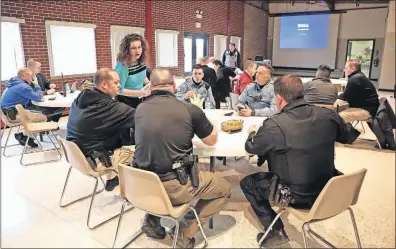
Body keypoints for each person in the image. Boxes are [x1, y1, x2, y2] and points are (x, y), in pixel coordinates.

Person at [240, 75, 360, 247]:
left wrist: (252, 132)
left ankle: (276, 231)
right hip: (330, 189)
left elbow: (251, 147)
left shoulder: (274, 125)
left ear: (279, 98)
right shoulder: (328, 115)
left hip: (297, 197)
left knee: (248, 183)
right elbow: (350, 136)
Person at [133, 68, 232, 248]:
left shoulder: (140, 109)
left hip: (141, 183)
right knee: (225, 189)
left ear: (151, 86)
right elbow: (211, 141)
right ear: (174, 85)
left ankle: (153, 219)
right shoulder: (189, 110)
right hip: (173, 184)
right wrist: (214, 127)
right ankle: (182, 235)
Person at [66, 68, 136, 191]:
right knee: (143, 150)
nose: (119, 86)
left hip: (78, 156)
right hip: (96, 161)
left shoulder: (79, 99)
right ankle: (140, 191)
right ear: (104, 84)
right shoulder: (107, 107)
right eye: (116, 83)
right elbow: (142, 118)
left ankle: (113, 178)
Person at [114, 34, 151, 144]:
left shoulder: (141, 61)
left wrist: (150, 84)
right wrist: (141, 92)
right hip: (124, 101)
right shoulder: (123, 66)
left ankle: (138, 148)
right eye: (133, 48)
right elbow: (118, 90)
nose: (137, 51)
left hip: (139, 97)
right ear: (127, 50)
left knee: (139, 127)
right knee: (125, 132)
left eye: (139, 47)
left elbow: (143, 77)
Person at [1, 68, 47, 147]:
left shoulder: (13, 83)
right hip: (13, 115)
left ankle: (25, 136)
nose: (32, 78)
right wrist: (36, 84)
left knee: (33, 114)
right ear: (26, 75)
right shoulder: (22, 86)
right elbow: (37, 97)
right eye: (31, 76)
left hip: (6, 114)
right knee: (42, 117)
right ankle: (27, 138)